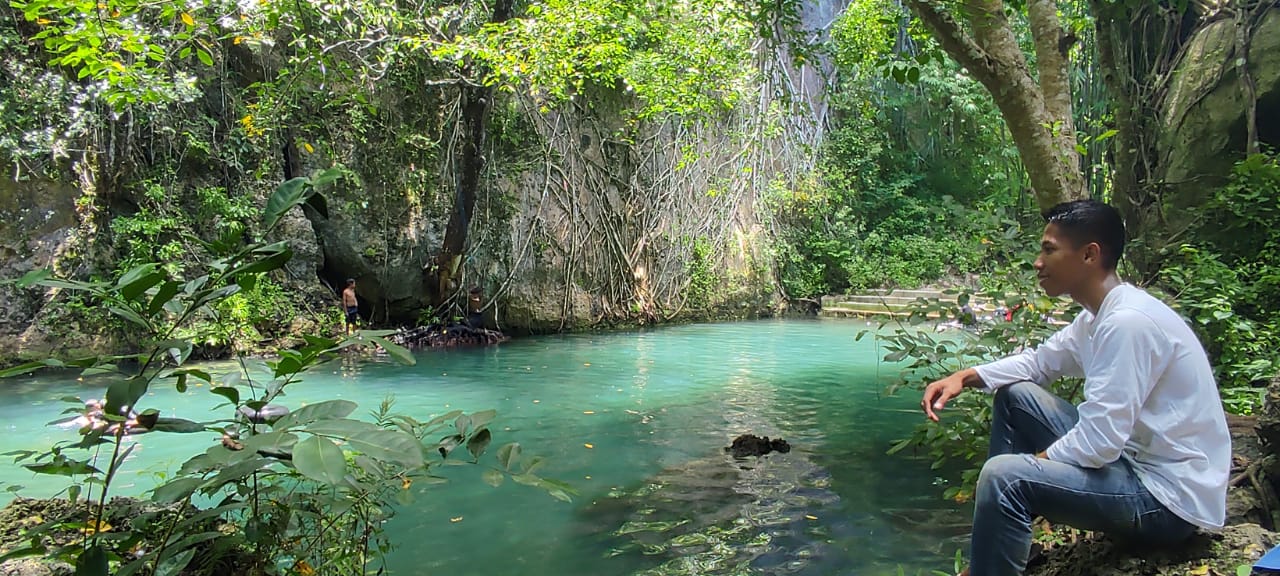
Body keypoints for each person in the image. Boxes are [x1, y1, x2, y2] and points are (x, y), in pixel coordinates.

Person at [920, 199, 1230, 576]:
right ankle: (996, 550)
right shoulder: (1099, 317)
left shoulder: (1127, 323)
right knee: (1017, 396)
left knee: (1005, 476)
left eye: (1049, 250)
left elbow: (1100, 441)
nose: (1038, 262)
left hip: (1166, 501)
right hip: (1134, 466)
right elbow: (1039, 363)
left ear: (1089, 255)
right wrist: (964, 376)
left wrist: (1034, 466)